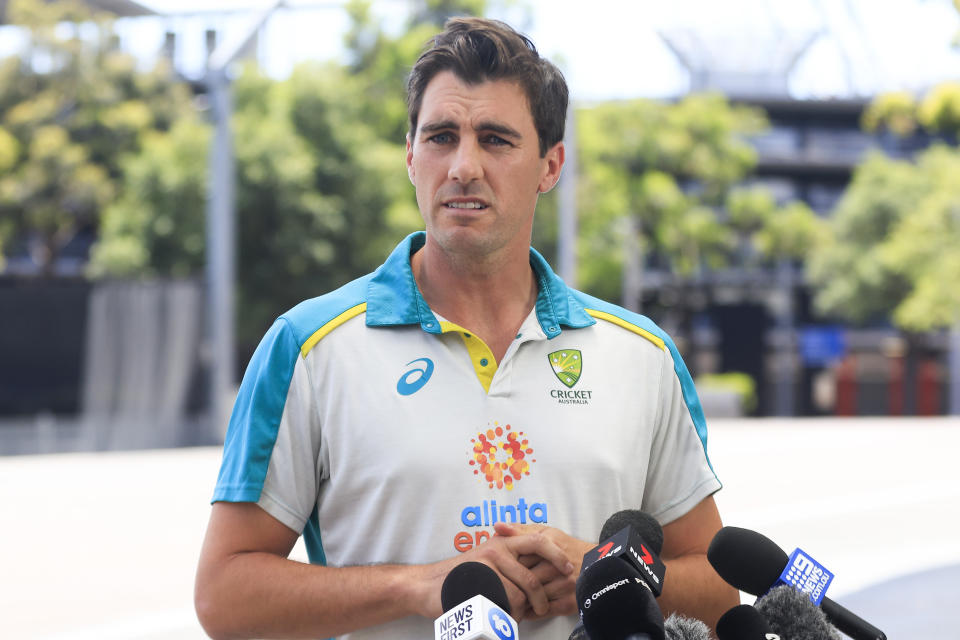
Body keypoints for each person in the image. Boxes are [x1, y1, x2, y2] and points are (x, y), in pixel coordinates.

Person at [194, 16, 739, 640]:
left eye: (496, 139)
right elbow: (224, 596)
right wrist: (423, 583)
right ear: (410, 155)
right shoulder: (309, 347)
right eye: (441, 136)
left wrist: (602, 572)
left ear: (550, 165)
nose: (463, 166)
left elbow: (720, 589)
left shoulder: (641, 356)